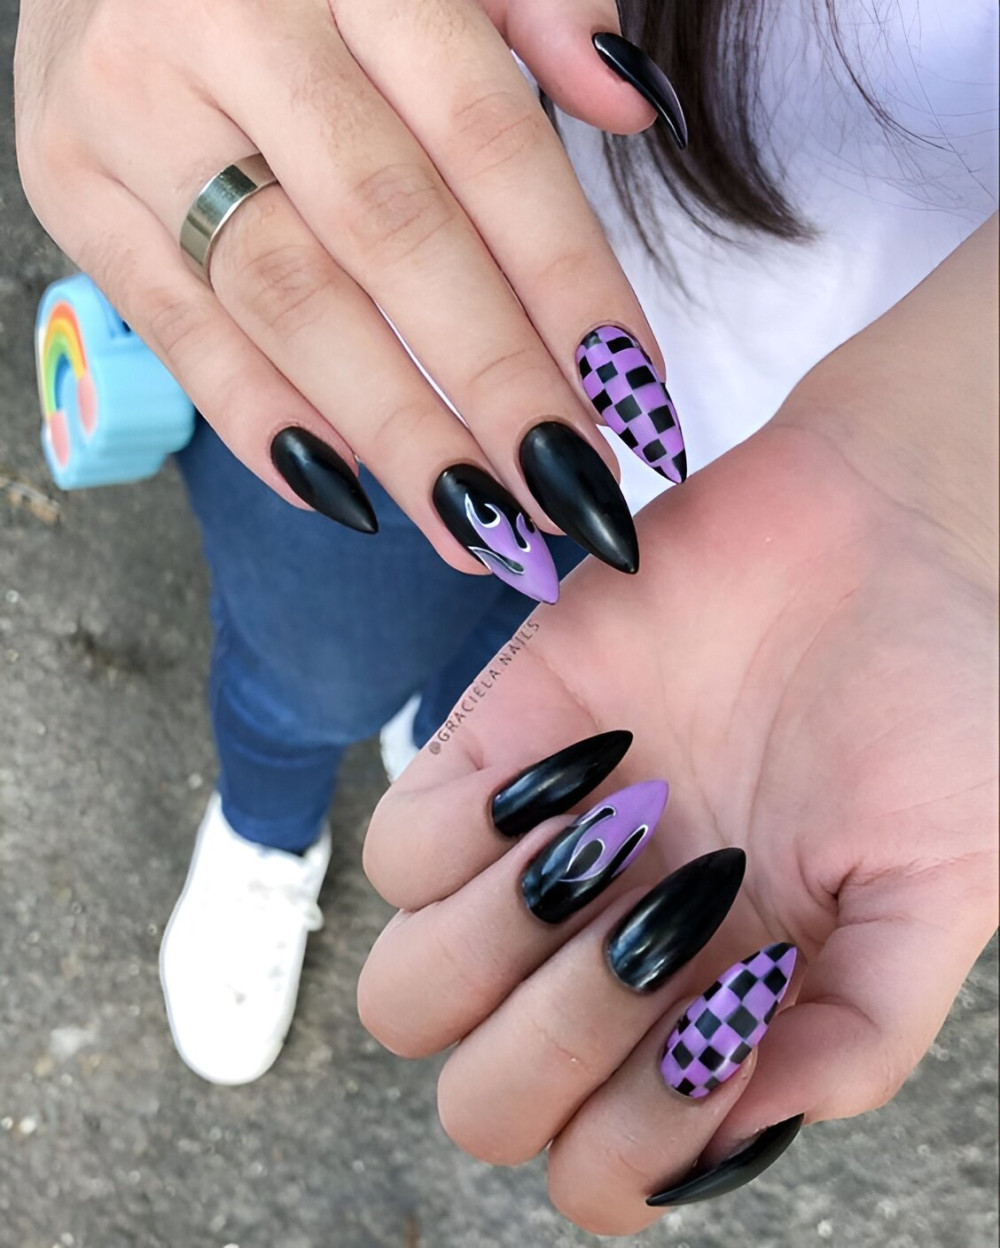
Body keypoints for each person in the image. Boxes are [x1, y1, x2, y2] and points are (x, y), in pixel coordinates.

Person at [13, 0, 997, 1227]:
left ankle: (439, 744)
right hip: (369, 284)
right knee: (311, 671)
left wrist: (944, 476)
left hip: (795, 473)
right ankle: (268, 822)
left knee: (503, 703)